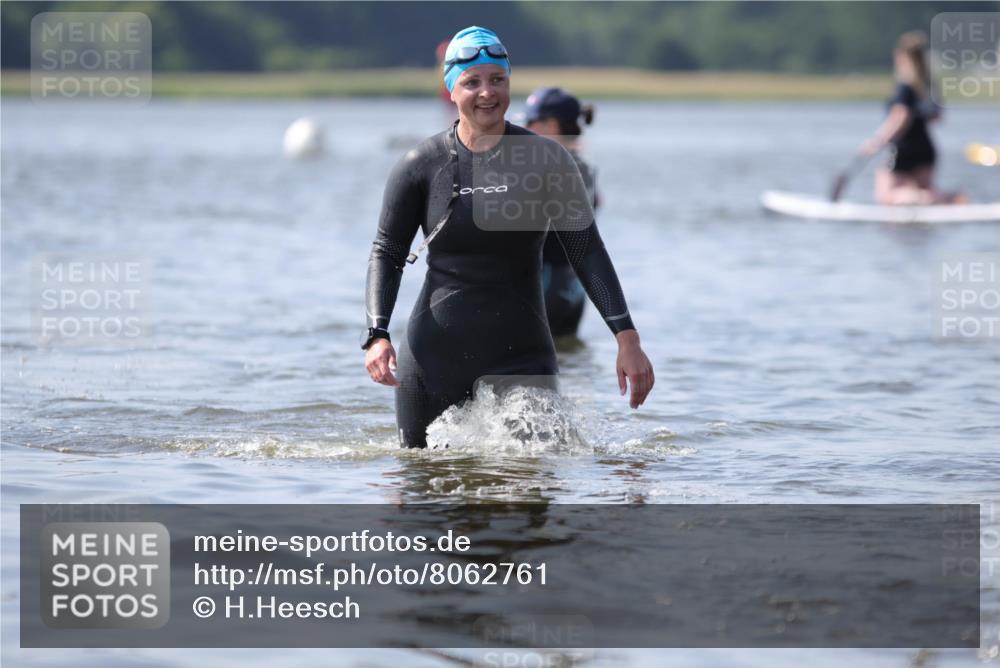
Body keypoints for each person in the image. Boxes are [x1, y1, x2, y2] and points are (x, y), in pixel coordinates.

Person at [362, 26, 654, 449]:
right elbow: (387, 252)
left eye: (497, 79)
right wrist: (377, 334)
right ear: (452, 89)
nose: (487, 93)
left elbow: (586, 250)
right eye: (472, 82)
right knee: (423, 498)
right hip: (434, 356)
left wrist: (628, 339)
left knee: (533, 494)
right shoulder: (421, 164)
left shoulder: (547, 160)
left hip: (523, 353)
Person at [522, 87, 597, 338]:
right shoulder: (584, 166)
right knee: (563, 364)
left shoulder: (542, 167)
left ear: (552, 126)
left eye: (531, 121)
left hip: (545, 285)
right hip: (574, 287)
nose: (525, 128)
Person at [861, 31, 964, 205]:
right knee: (925, 189)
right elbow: (937, 116)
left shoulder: (906, 86)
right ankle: (948, 199)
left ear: (901, 57)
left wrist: (877, 141)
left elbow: (901, 117)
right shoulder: (930, 86)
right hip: (926, 147)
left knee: (887, 196)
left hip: (903, 147)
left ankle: (928, 198)